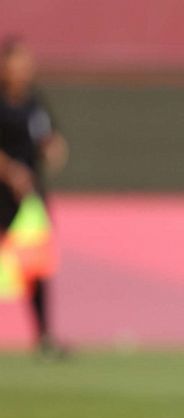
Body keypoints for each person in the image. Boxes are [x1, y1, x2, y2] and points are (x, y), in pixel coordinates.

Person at [0, 36, 68, 357]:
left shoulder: (34, 102)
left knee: (36, 266)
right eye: (18, 61)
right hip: (3, 191)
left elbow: (47, 135)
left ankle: (43, 336)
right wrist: (11, 172)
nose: (25, 68)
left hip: (29, 197)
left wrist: (53, 147)